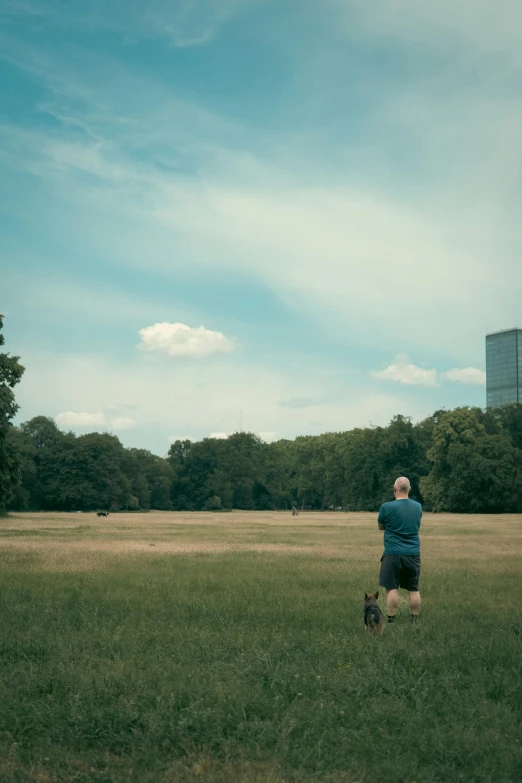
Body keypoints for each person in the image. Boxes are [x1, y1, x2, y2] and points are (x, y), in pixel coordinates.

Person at [377, 476, 421, 624]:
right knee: (413, 589)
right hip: (413, 553)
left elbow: (380, 526)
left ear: (394, 488)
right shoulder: (418, 507)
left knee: (391, 588)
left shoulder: (387, 507)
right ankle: (414, 619)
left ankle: (391, 620)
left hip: (392, 553)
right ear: (409, 489)